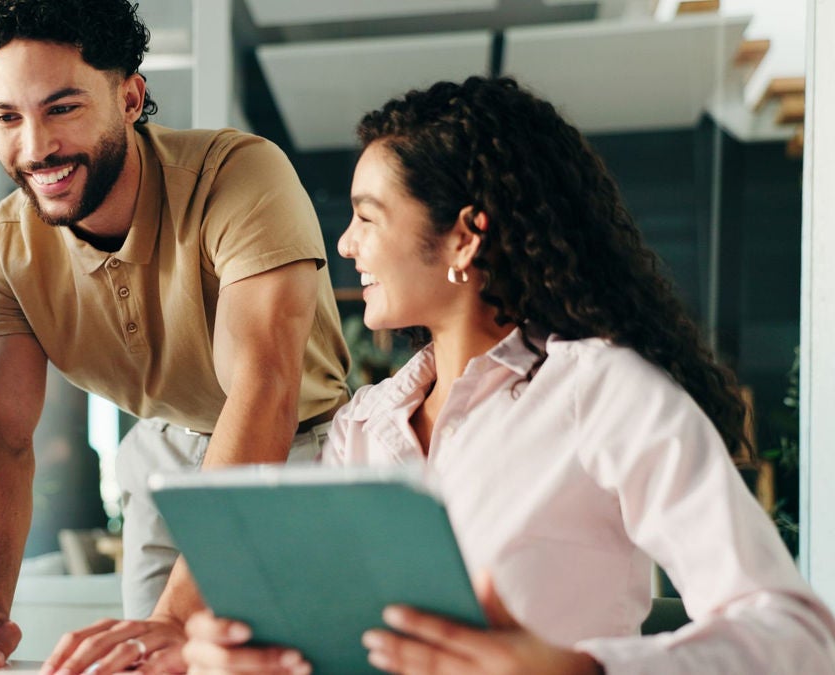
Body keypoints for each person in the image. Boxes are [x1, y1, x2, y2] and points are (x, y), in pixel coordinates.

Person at [182, 77, 835, 674]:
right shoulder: (364, 425)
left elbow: (798, 634)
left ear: (465, 237)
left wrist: (576, 669)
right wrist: (249, 653)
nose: (346, 243)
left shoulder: (601, 391)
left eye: (367, 216)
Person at [0, 0, 350, 672]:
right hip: (163, 456)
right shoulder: (9, 244)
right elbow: (0, 432)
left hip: (300, 449)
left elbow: (263, 390)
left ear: (131, 97)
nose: (35, 146)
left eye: (62, 108)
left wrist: (172, 618)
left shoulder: (239, 177)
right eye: (7, 117)